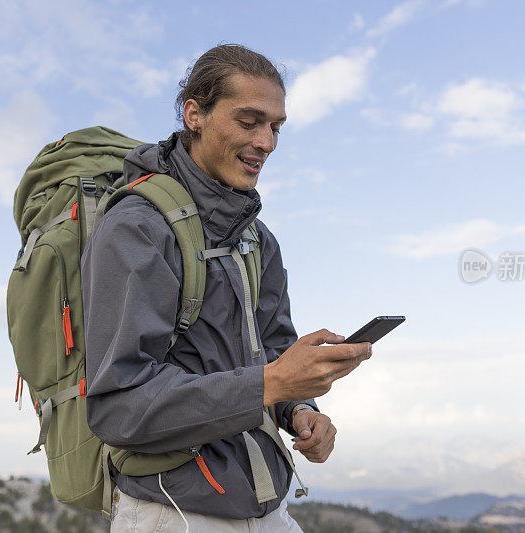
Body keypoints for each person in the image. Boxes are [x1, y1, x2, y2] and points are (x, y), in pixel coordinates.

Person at [81, 44, 372, 532]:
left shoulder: (257, 237)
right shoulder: (137, 229)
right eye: (249, 121)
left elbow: (272, 350)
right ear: (194, 114)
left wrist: (300, 409)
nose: (267, 142)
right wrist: (274, 382)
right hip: (171, 513)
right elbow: (118, 407)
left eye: (276, 126)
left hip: (265, 504)